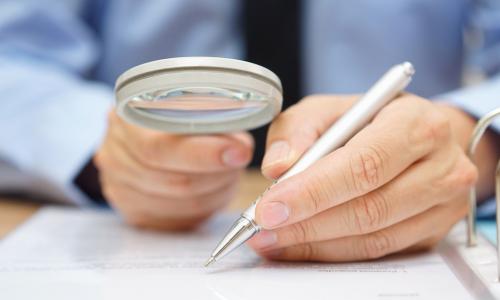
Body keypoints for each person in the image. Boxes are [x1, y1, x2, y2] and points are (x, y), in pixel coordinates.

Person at [0, 0, 498, 262]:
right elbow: (12, 55)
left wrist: (468, 140)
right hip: (120, 200)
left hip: (425, 204)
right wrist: (100, 149)